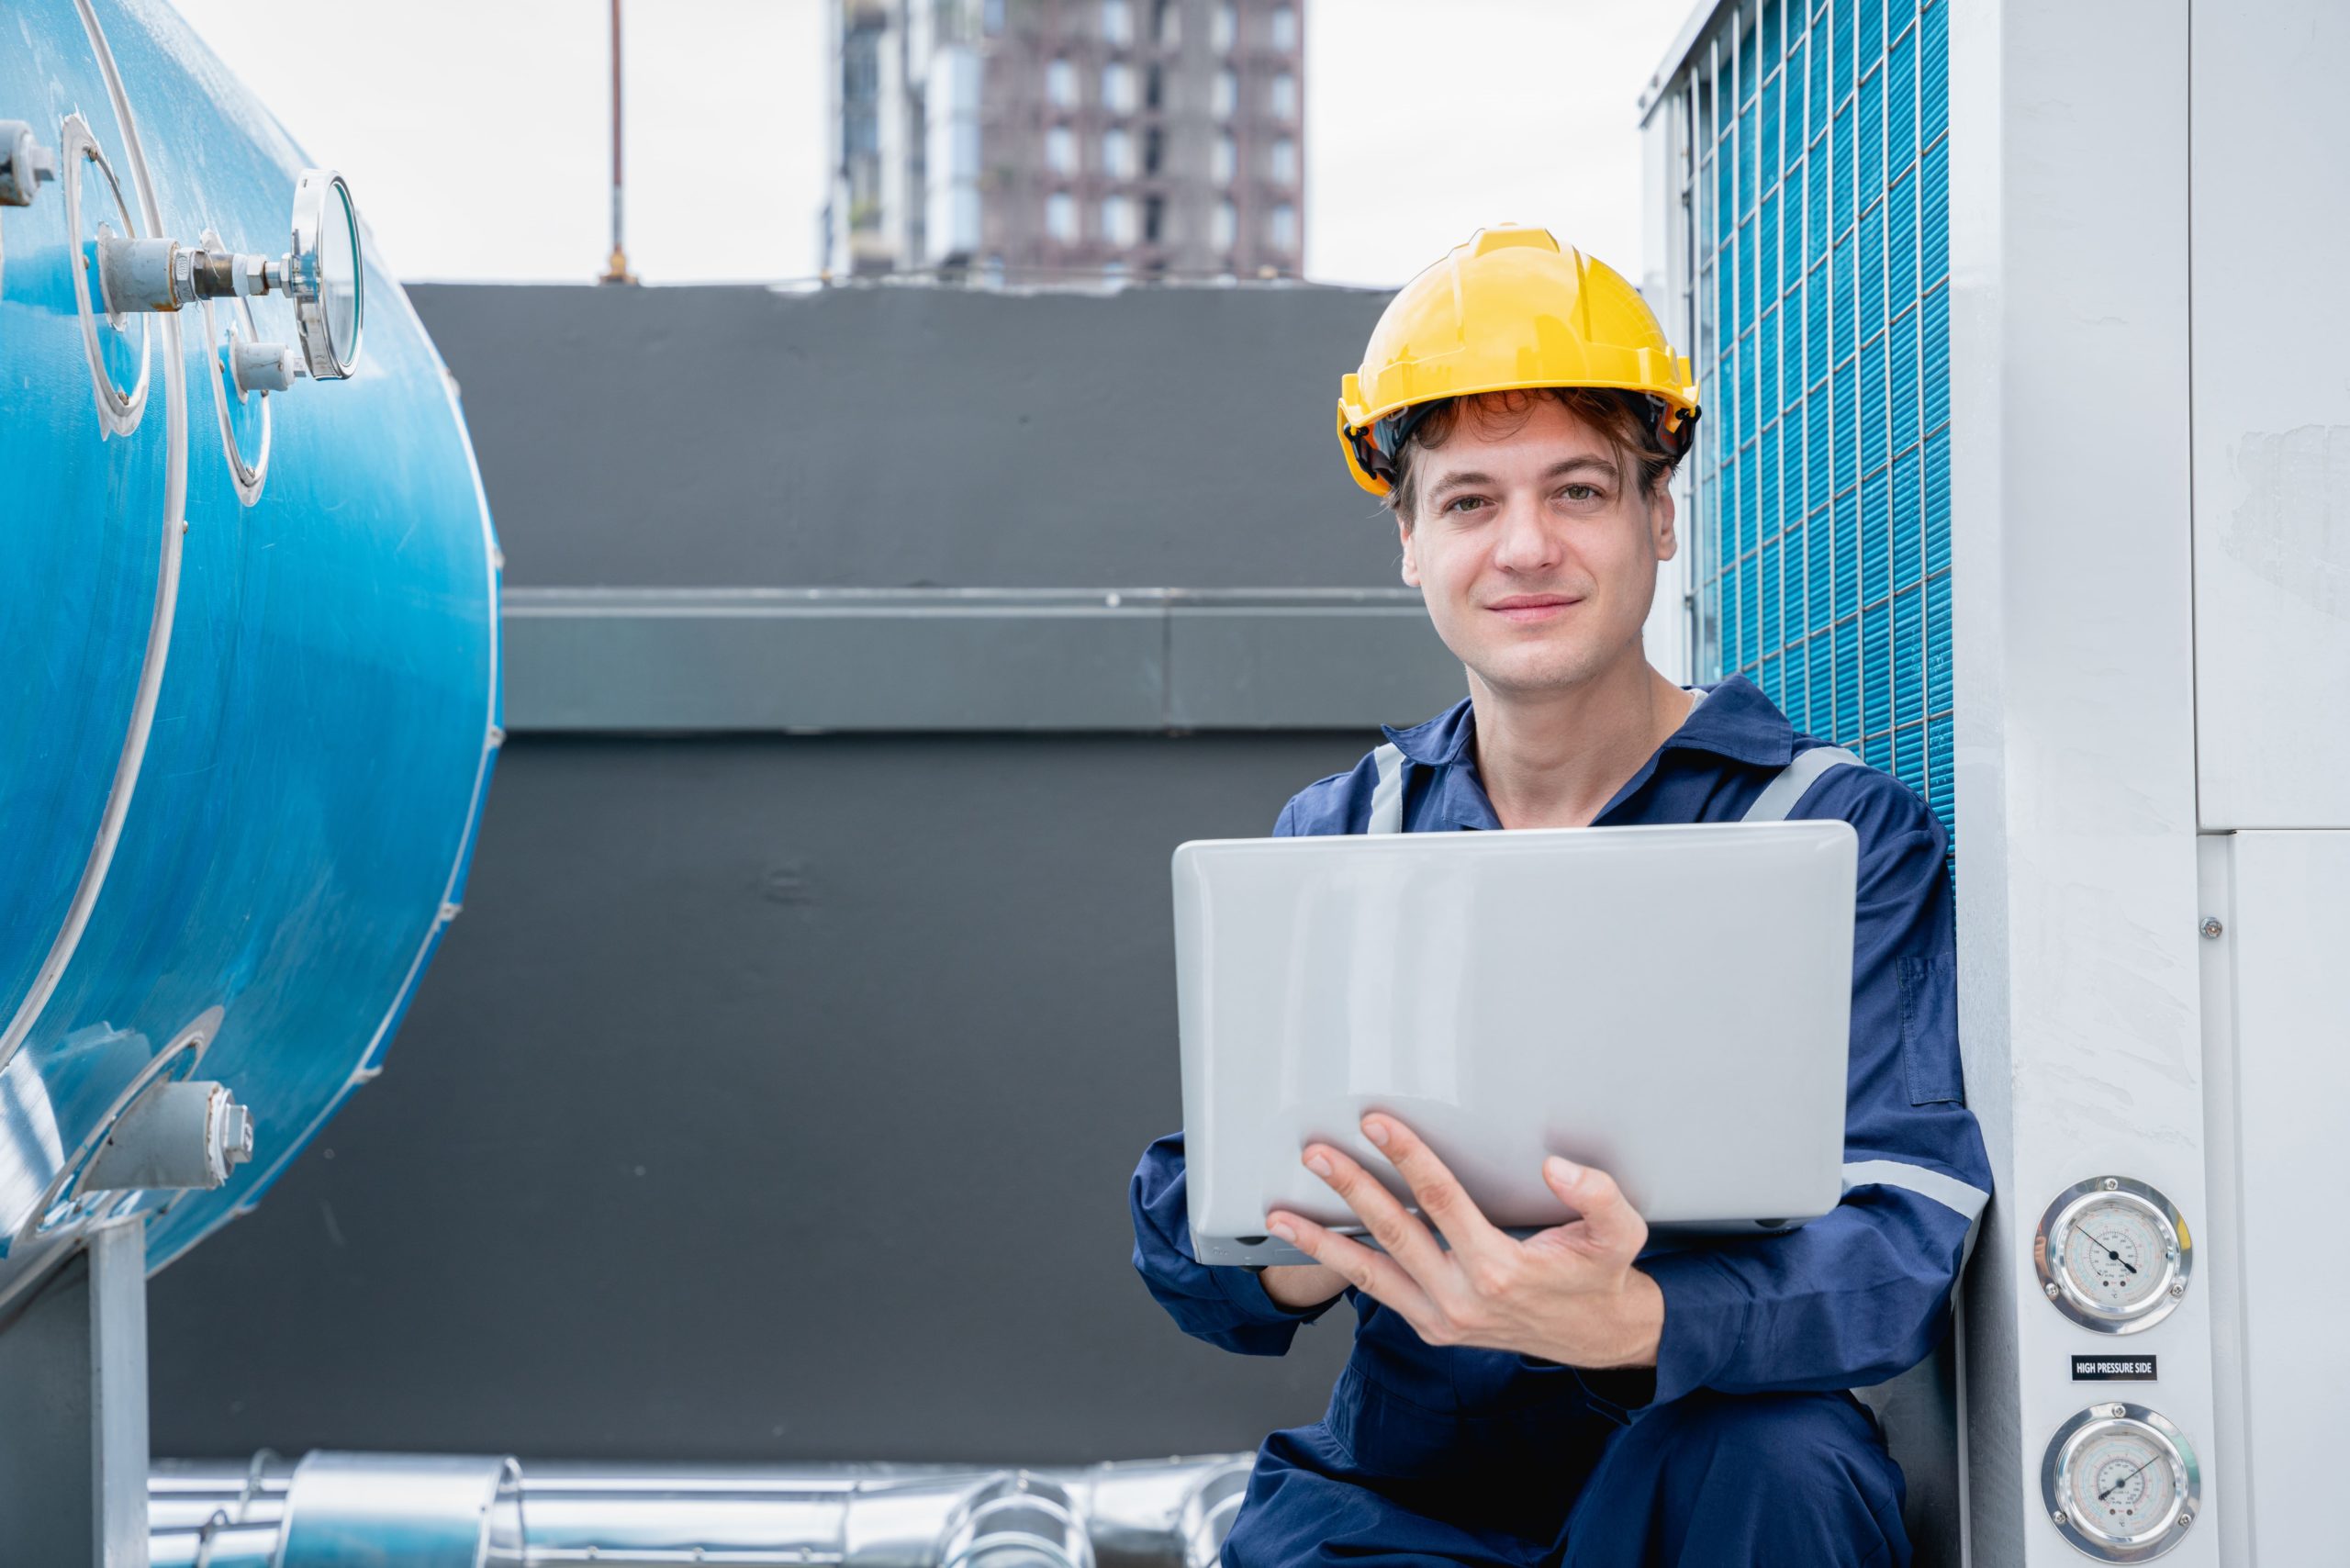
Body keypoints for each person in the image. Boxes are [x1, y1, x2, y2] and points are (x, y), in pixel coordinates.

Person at [1126, 227, 1991, 1567]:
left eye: (1577, 491)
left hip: (1707, 1487)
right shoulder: (1342, 836)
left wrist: (1633, 1321)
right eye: (1470, 501)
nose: (1525, 546)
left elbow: (1906, 1229)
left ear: (1658, 516)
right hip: (1405, 1498)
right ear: (1408, 542)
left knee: (1778, 1452)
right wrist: (1297, 1247)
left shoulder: (1828, 832)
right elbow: (1200, 1229)